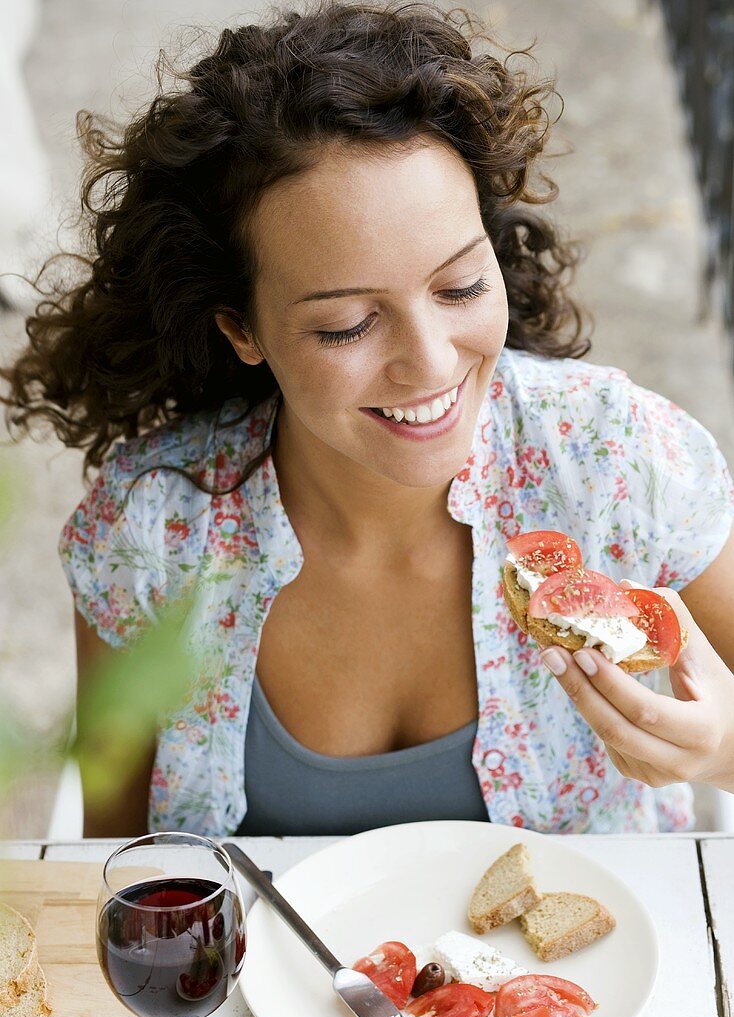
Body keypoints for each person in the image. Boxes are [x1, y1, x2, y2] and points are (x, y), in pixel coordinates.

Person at [3, 1, 734, 839]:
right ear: (241, 329)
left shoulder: (621, 457)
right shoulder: (150, 533)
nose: (429, 363)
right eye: (347, 325)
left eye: (460, 286)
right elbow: (122, 879)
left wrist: (718, 752)